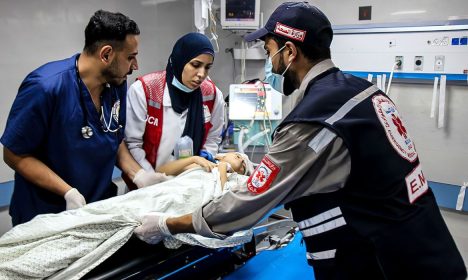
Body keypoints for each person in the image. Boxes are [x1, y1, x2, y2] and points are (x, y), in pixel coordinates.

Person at [132, 2, 467, 280]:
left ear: (290, 51)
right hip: (428, 250)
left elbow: (251, 202)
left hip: (387, 264)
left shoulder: (314, 116)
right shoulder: (362, 91)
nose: (269, 63)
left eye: (269, 51)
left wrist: (168, 224)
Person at [0, 10, 166, 226]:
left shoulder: (115, 84)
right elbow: (13, 154)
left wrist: (138, 175)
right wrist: (68, 192)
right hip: (46, 215)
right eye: (131, 57)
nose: (136, 67)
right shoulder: (46, 87)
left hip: (97, 208)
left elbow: (112, 135)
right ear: (106, 55)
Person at [124, 32, 225, 187]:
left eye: (207, 67)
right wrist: (151, 180)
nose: (201, 74)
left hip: (189, 185)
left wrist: (207, 155)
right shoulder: (145, 90)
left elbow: (213, 138)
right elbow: (132, 144)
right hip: (146, 187)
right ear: (180, 59)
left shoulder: (211, 94)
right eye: (196, 65)